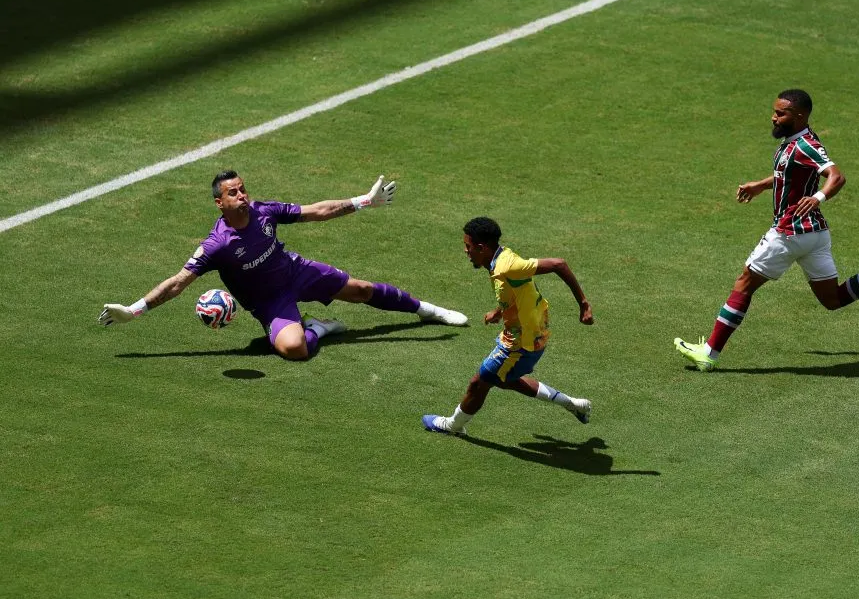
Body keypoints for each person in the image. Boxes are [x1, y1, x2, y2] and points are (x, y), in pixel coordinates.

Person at [674, 89, 859, 372]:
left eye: (780, 113)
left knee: (744, 283)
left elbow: (837, 176)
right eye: (774, 111)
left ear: (799, 116)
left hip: (789, 233)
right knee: (832, 299)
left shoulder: (805, 145)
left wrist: (817, 198)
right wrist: (761, 185)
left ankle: (709, 353)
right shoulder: (794, 143)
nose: (773, 118)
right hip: (815, 236)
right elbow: (788, 175)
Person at [98, 170, 469, 360]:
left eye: (243, 188)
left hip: (296, 272)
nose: (242, 195)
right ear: (219, 203)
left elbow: (316, 211)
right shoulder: (218, 245)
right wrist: (136, 309)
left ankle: (428, 311)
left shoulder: (265, 211)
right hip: (269, 303)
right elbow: (178, 282)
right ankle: (319, 328)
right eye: (233, 193)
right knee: (294, 350)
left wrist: (362, 202)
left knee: (363, 290)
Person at [422, 217, 593, 435]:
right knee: (505, 380)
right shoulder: (500, 258)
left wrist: (584, 305)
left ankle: (453, 426)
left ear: (482, 248)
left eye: (468, 246)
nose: (466, 251)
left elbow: (559, 264)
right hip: (525, 333)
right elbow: (519, 292)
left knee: (479, 383)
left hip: (521, 342)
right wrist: (500, 311)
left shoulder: (509, 265)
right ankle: (573, 404)